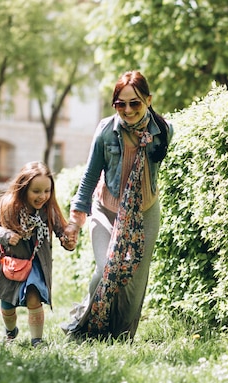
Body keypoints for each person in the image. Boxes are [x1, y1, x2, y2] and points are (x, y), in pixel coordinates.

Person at [62, 70, 173, 341]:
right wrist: (75, 220)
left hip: (145, 212)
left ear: (148, 100)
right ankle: (83, 327)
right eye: (120, 104)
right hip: (106, 210)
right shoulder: (105, 131)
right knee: (105, 270)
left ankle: (120, 337)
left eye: (134, 103)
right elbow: (89, 177)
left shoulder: (164, 131)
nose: (127, 109)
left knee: (134, 282)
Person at [0, 161, 76, 348]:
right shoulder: (9, 206)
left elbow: (61, 231)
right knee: (8, 304)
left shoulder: (48, 210)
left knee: (34, 298)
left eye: (47, 191)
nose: (43, 196)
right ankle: (11, 332)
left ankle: (37, 340)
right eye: (36, 191)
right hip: (11, 262)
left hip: (36, 264)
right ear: (23, 189)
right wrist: (6, 235)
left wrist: (67, 241)